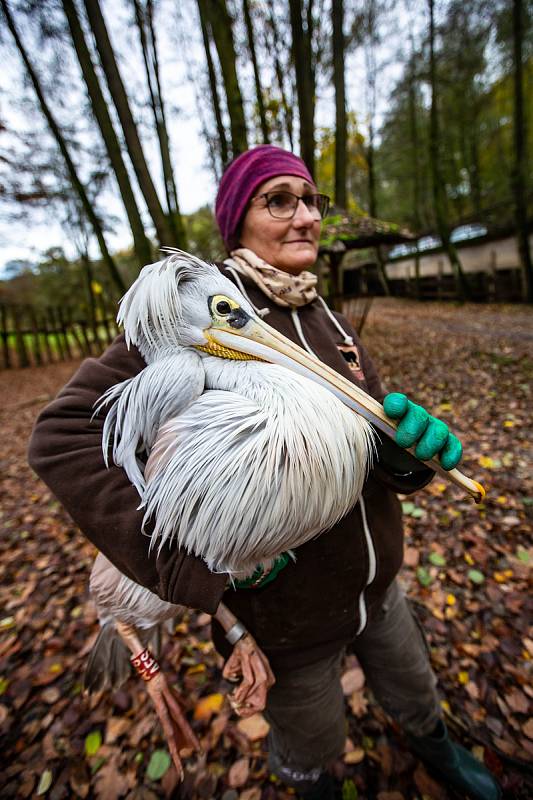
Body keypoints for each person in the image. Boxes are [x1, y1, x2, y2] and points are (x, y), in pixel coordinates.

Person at [28, 145, 500, 800]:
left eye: (310, 200)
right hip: (286, 624)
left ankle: (436, 749)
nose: (304, 215)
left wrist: (402, 460)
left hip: (375, 584)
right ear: (236, 221)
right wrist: (189, 574)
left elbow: (368, 438)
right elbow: (58, 437)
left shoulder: (325, 316)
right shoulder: (190, 311)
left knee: (415, 688)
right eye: (279, 200)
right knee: (310, 745)